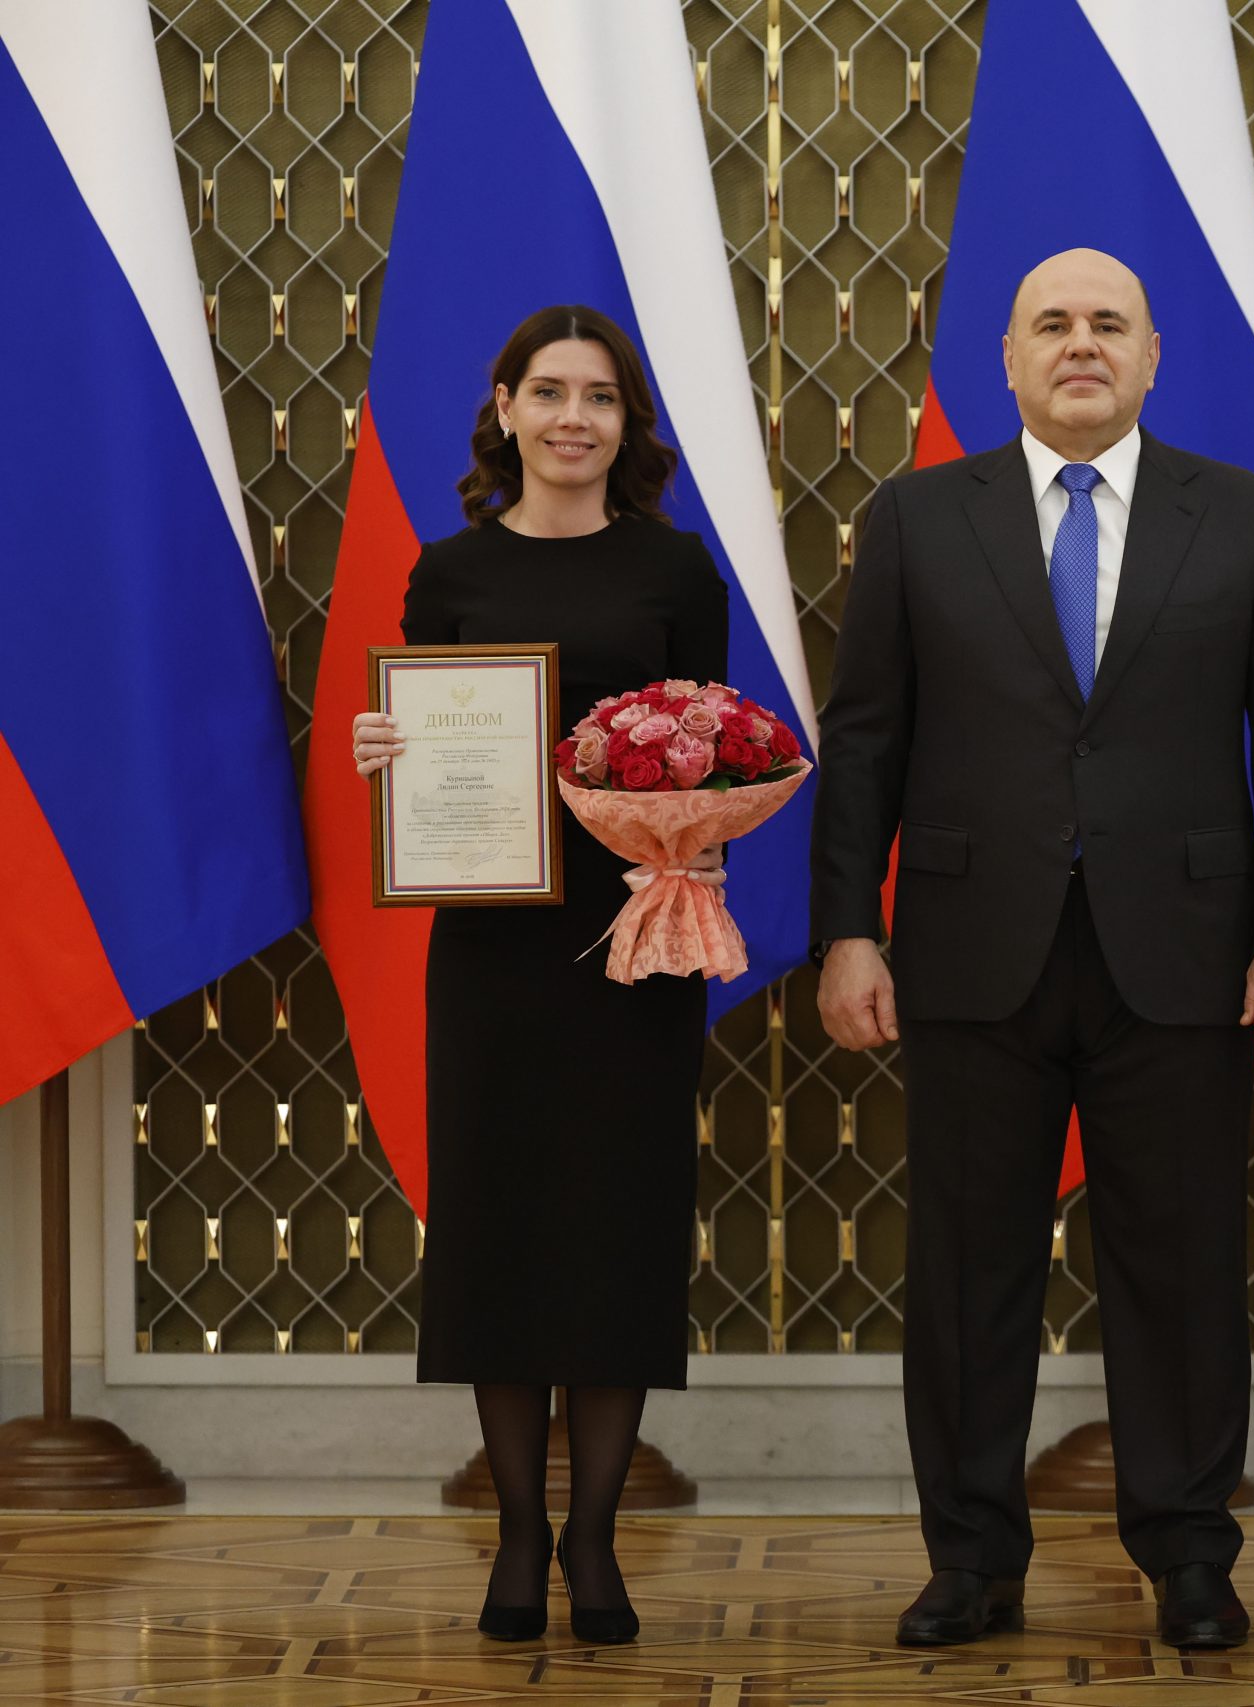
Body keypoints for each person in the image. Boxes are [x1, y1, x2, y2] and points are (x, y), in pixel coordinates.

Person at [809, 247, 1254, 1652]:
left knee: (1183, 1272)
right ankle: (970, 1560)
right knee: (966, 1274)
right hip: (969, 952)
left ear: (1154, 355)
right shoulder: (918, 516)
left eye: (1111, 323)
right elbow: (863, 745)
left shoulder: (1247, 515)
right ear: (1008, 358)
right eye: (1053, 324)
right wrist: (848, 931)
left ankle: (1190, 1555)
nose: (1083, 344)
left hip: (1185, 954)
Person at [349, 304, 729, 1647]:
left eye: (602, 397)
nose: (576, 418)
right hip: (492, 952)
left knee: (619, 1230)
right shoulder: (448, 571)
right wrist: (387, 754)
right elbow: (428, 746)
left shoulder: (675, 568)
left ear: (628, 424)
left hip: (635, 944)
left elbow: (718, 746)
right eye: (551, 392)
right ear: (505, 408)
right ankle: (517, 1534)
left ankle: (596, 1537)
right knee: (500, 1232)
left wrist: (704, 826)